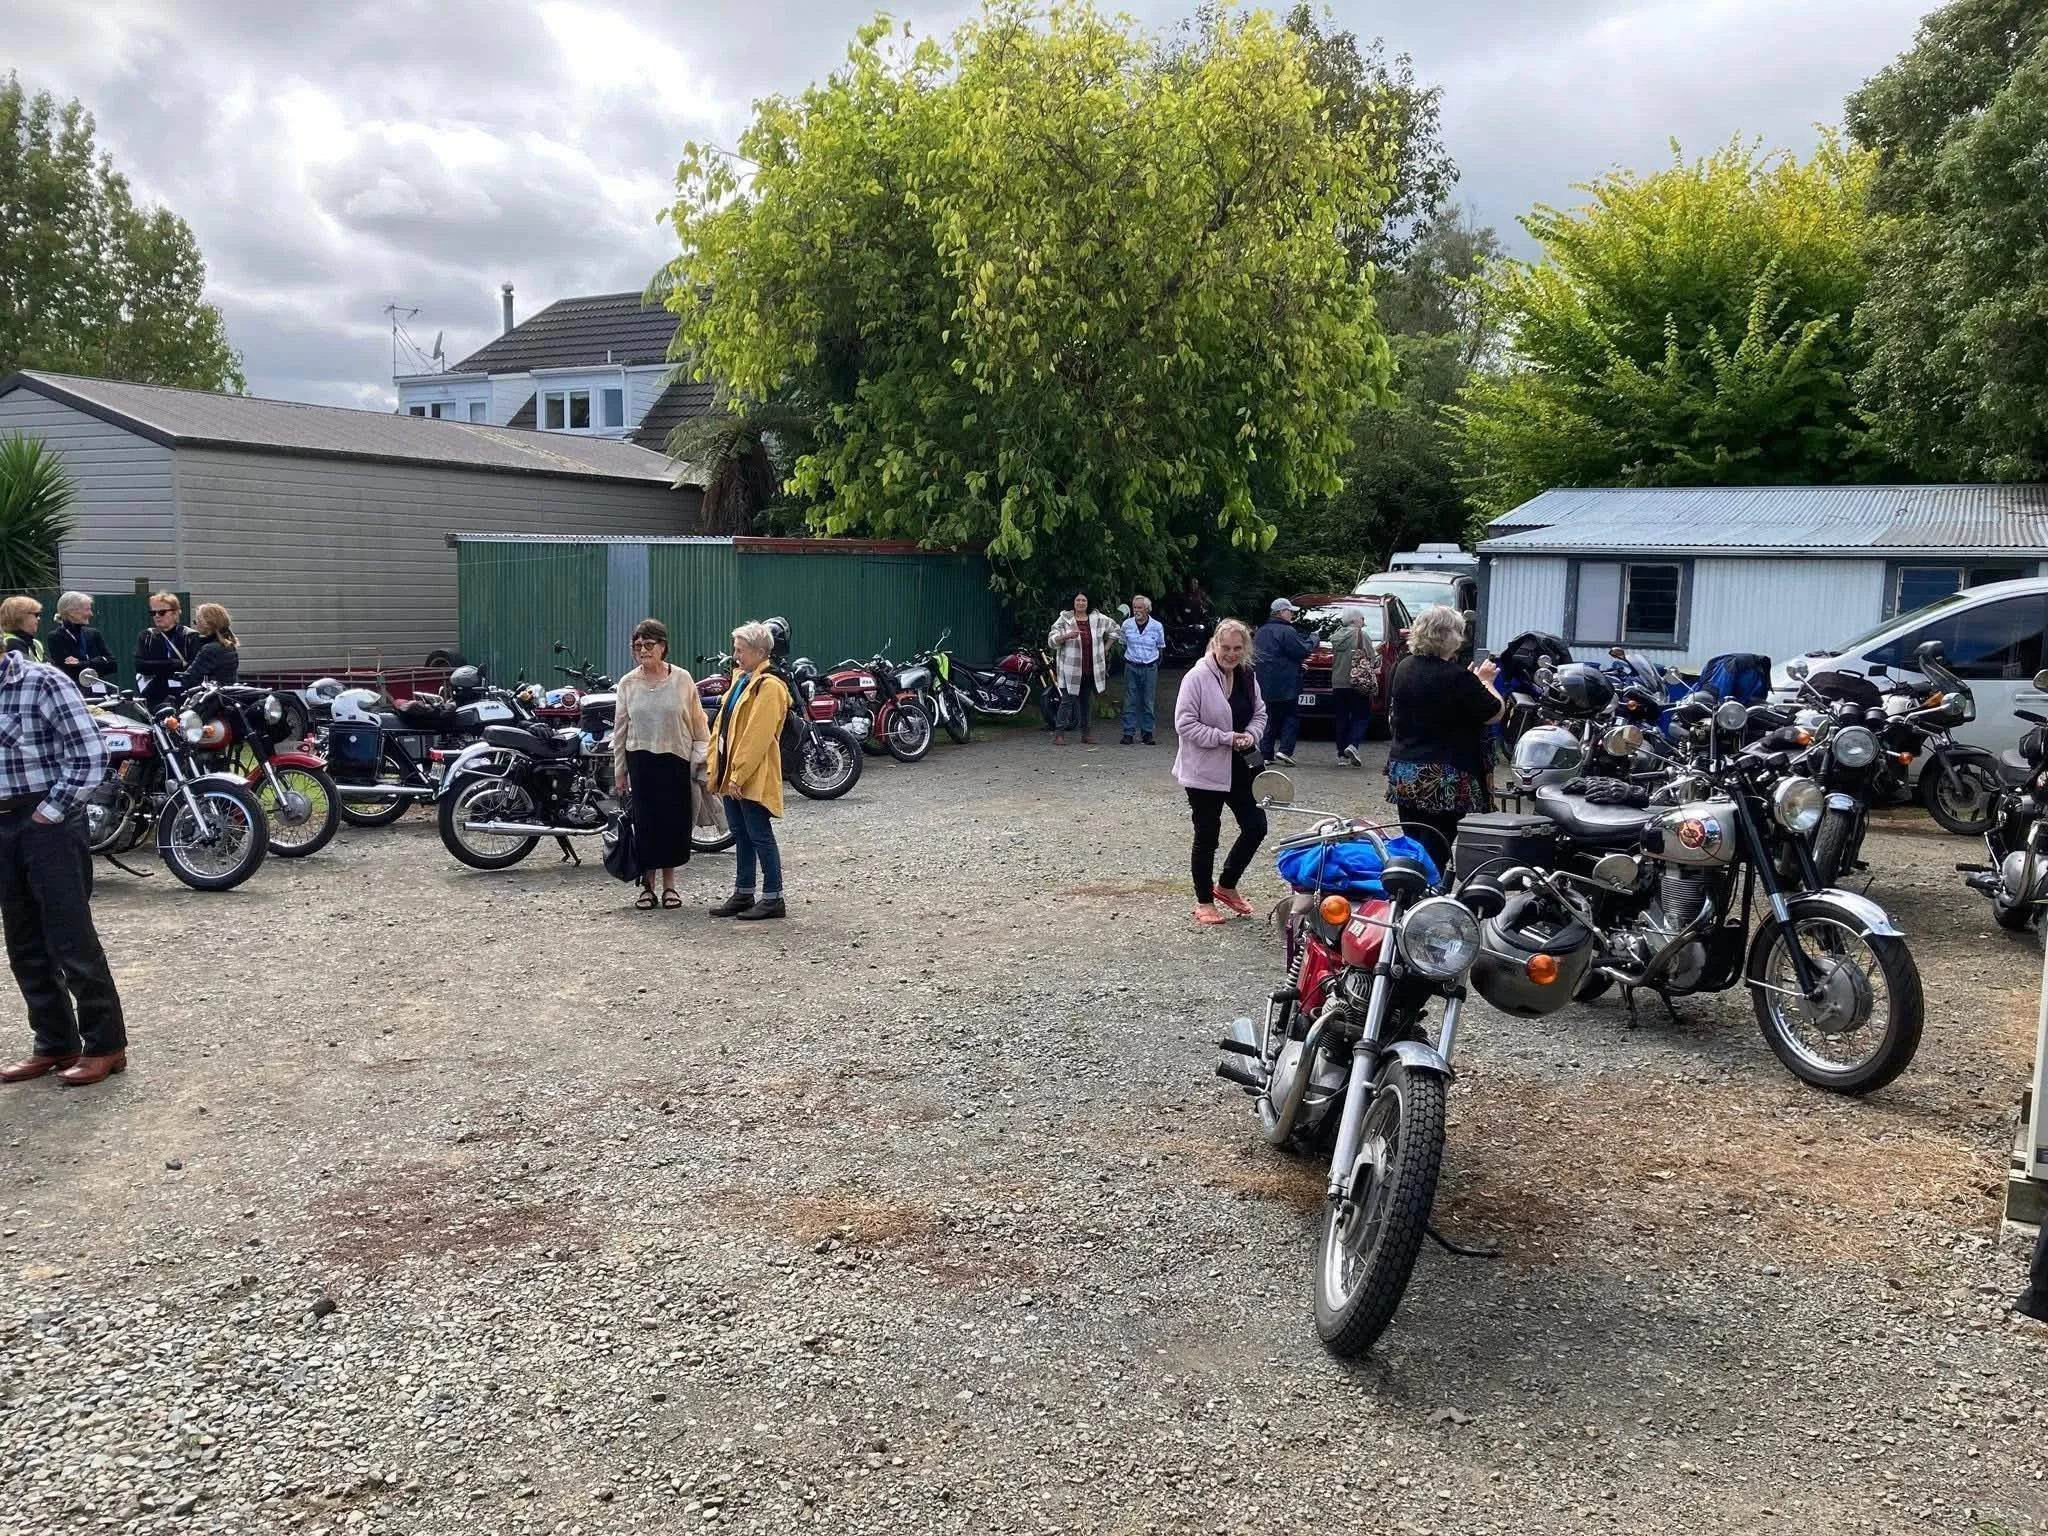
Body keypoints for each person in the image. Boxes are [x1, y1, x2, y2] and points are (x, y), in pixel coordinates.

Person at [0, 644, 126, 1087]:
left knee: (70, 936)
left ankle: (106, 1046)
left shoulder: (43, 681)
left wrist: (49, 813)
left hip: (47, 821)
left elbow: (90, 755)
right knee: (24, 943)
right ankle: (55, 1043)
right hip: (3, 826)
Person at [1385, 604, 1503, 867]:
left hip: (1404, 768)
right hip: (1444, 774)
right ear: (1450, 636)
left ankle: (1406, 890)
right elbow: (1494, 712)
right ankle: (1427, 894)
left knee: (1413, 838)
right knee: (1438, 842)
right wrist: (1485, 681)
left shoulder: (1402, 667)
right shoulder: (1457, 676)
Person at [1172, 619, 1270, 927]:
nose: (1230, 654)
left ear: (1245, 649)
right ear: (1215, 644)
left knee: (1256, 827)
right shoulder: (1196, 677)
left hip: (1241, 767)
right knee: (1207, 835)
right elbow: (1185, 725)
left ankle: (1226, 885)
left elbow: (1260, 713)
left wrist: (1251, 735)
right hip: (1204, 771)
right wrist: (1226, 738)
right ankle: (1204, 901)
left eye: (1237, 648)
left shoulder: (1247, 675)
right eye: (1225, 647)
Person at [613, 618, 711, 911]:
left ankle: (670, 887)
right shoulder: (627, 683)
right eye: (637, 645)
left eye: (648, 644)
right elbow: (620, 730)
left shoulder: (682, 678)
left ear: (663, 646)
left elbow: (698, 721)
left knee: (673, 824)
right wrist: (620, 771)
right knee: (644, 825)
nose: (642, 650)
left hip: (676, 760)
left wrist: (703, 758)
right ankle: (646, 888)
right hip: (641, 761)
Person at [706, 620, 792, 921]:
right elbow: (723, 726)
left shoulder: (769, 687)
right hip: (733, 772)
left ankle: (773, 897)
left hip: (748, 774)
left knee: (759, 834)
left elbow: (756, 735)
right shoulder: (742, 680)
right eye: (735, 649)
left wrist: (737, 775)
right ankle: (744, 892)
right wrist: (717, 767)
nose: (735, 655)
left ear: (760, 651)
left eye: (740, 650)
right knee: (742, 834)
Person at [1048, 592, 1119, 746]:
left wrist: (1105, 648)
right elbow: (1052, 641)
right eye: (1078, 600)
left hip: (1089, 668)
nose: (1081, 603)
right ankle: (1059, 734)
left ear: (1088, 603)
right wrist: (1066, 636)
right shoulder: (1065, 619)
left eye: (1084, 600)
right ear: (1073, 602)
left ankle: (1086, 735)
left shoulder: (1097, 619)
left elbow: (1115, 630)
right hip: (1071, 669)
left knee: (1085, 702)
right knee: (1067, 701)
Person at [1252, 598, 1311, 765]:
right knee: (1291, 716)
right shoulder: (1287, 631)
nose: (1292, 614)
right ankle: (1285, 751)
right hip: (1286, 684)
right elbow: (1301, 650)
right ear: (1282, 612)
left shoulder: (1262, 631)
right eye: (1290, 611)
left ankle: (1266, 754)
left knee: (1268, 718)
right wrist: (1313, 640)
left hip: (1264, 683)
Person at [1327, 608, 1374, 767]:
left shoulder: (1336, 636)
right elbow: (1371, 659)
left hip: (1338, 683)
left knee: (1341, 717)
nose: (1363, 621)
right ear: (1354, 620)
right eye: (1362, 618)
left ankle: (1341, 755)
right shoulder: (1362, 635)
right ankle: (1353, 745)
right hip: (1357, 681)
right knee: (1362, 715)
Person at [135, 593, 198, 710]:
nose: (157, 616)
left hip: (183, 696)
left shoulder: (190, 636)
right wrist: (175, 664)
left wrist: (157, 666)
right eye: (153, 613)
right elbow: (140, 666)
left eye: (162, 612)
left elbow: (193, 668)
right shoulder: (147, 636)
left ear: (175, 612)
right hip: (153, 696)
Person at [1118, 594, 1166, 745]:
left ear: (1147, 609)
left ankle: (1147, 733)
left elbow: (1160, 647)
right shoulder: (1126, 624)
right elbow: (1122, 643)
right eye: (1134, 607)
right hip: (1131, 666)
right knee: (1129, 700)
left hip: (1150, 667)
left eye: (1139, 608)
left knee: (1148, 701)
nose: (1136, 610)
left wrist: (1154, 664)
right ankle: (1128, 733)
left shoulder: (1157, 626)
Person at [50, 593, 114, 686]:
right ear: (71, 612)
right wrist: (100, 661)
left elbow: (112, 665)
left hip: (100, 691)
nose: (91, 614)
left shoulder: (93, 634)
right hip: (73, 691)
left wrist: (82, 663)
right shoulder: (56, 637)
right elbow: (69, 670)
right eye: (87, 609)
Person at [180, 603, 240, 688]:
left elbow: (189, 679)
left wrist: (169, 683)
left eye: (196, 621)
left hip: (211, 698)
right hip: (226, 695)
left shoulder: (210, 649)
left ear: (207, 624)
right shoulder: (229, 646)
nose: (195, 625)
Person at [0, 596, 45, 663]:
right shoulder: (11, 643)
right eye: (36, 614)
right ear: (20, 616)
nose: (38, 618)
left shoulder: (33, 643)